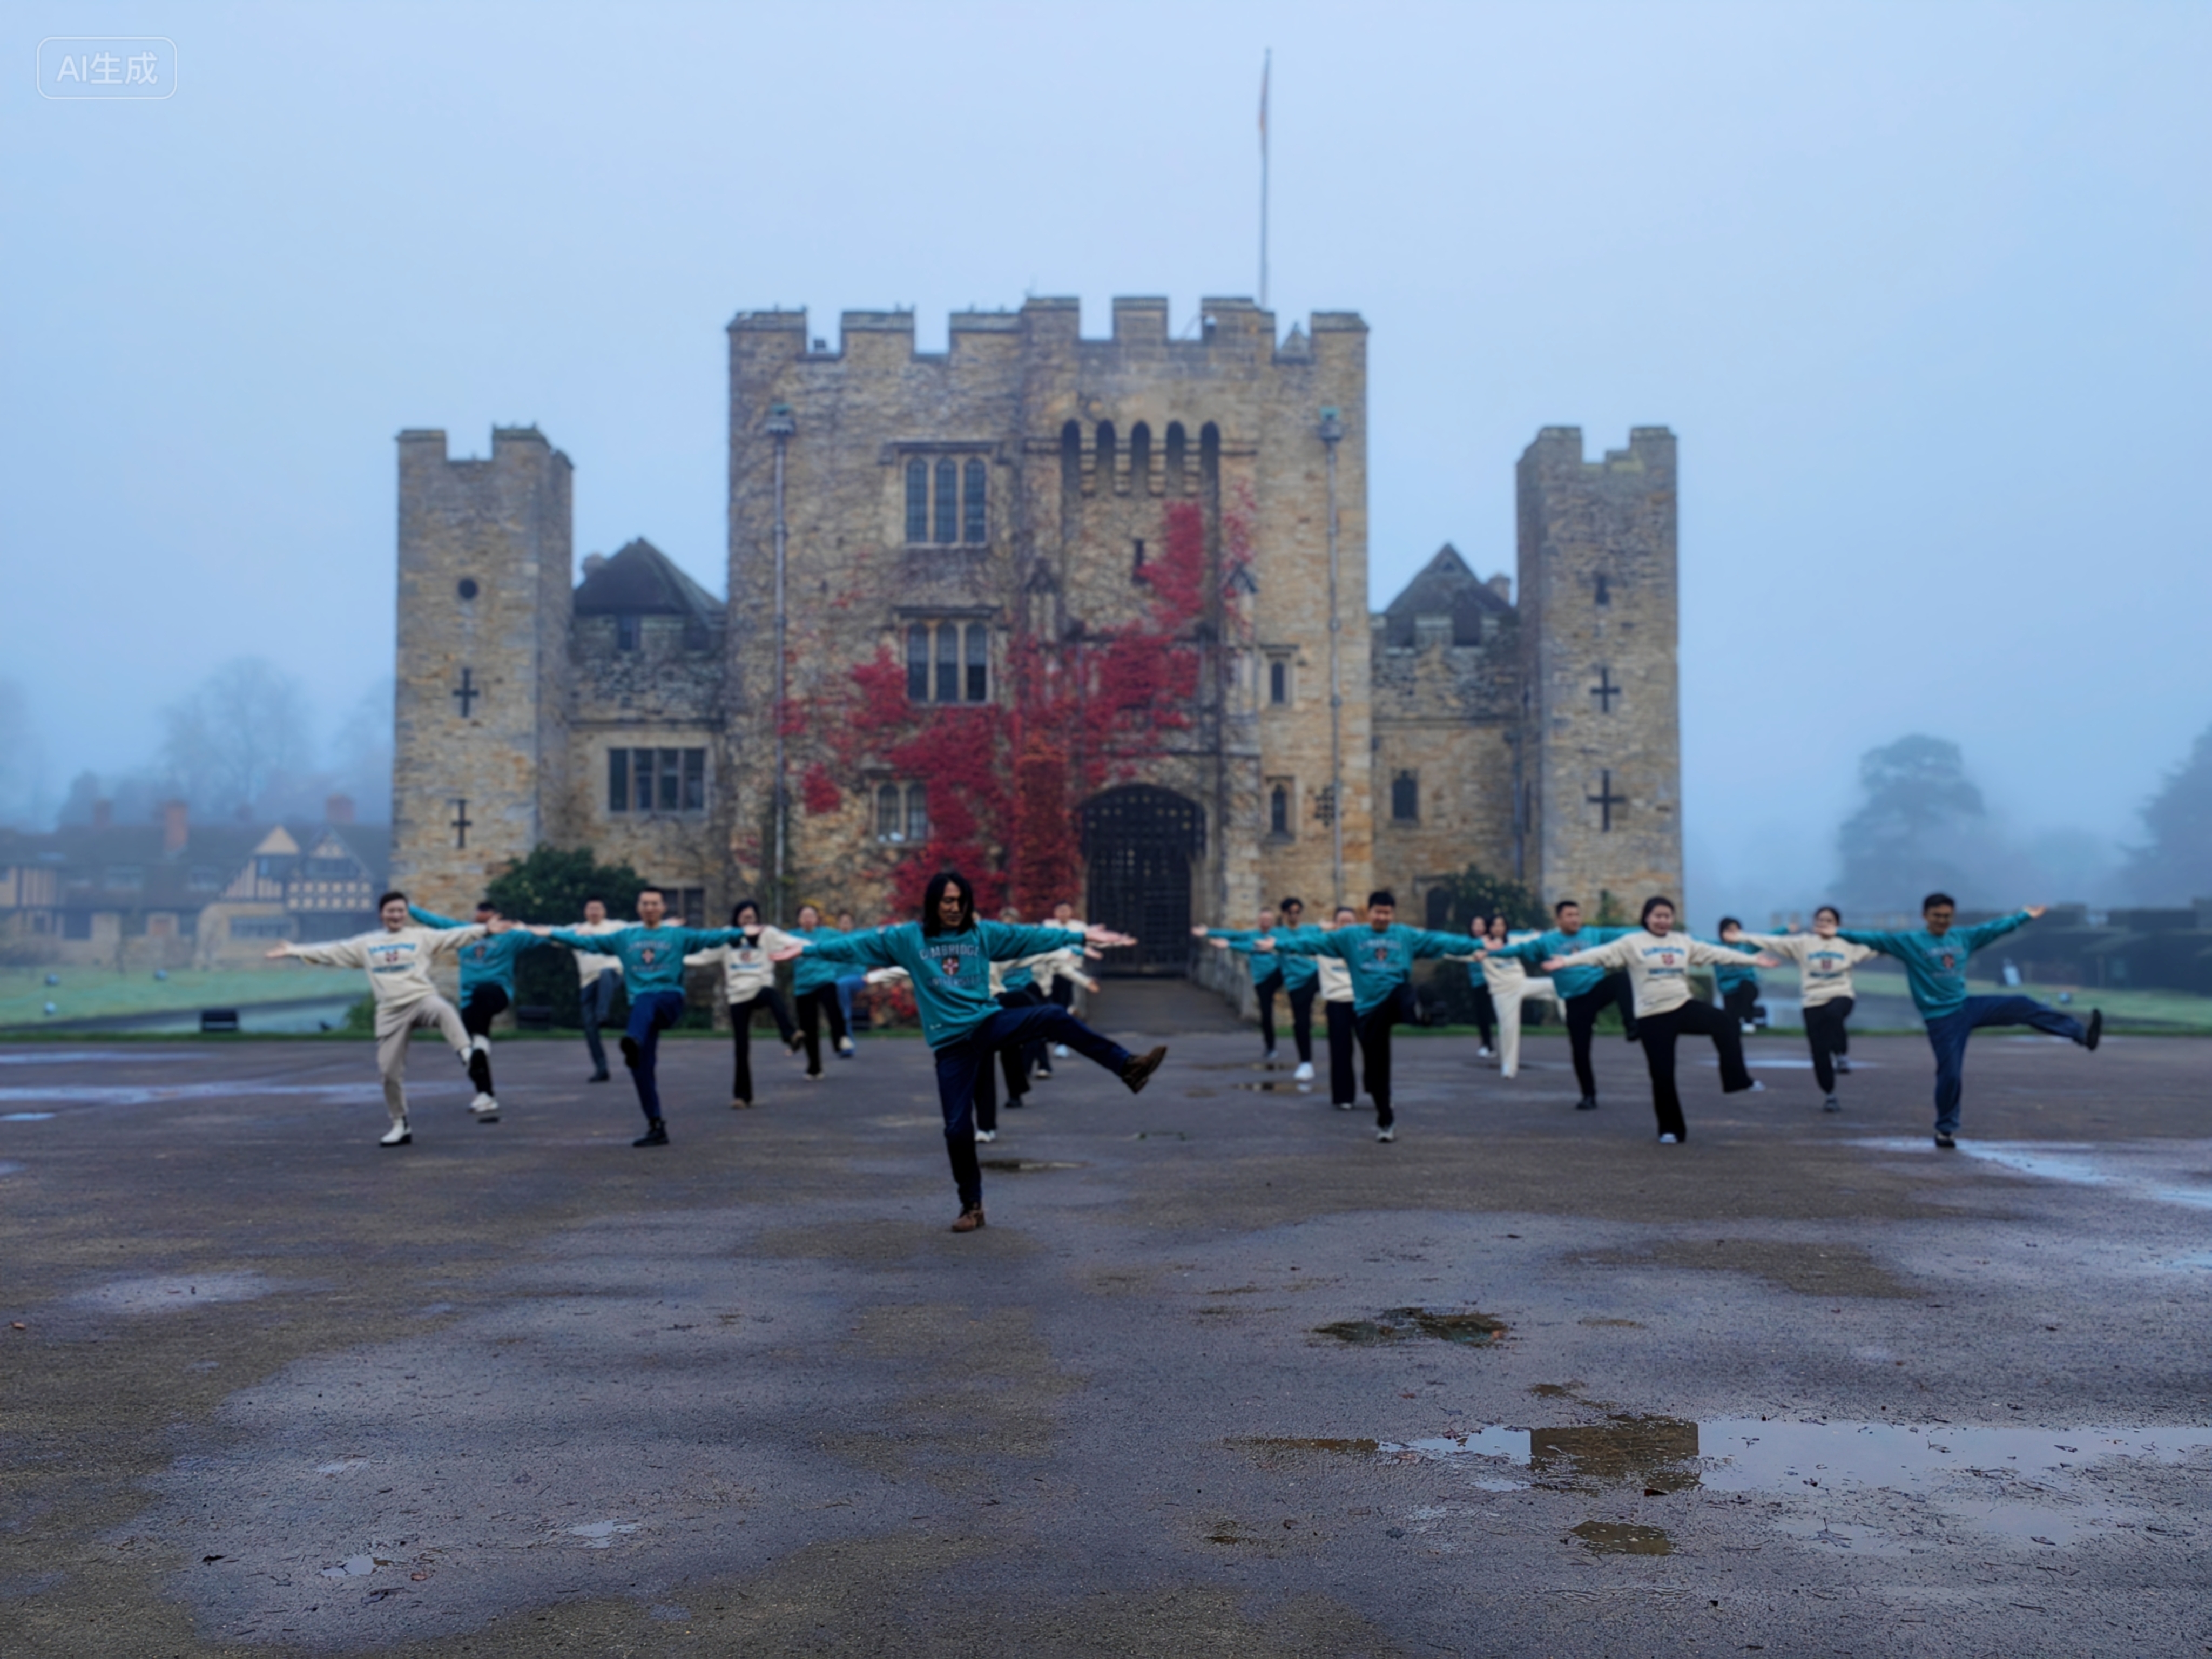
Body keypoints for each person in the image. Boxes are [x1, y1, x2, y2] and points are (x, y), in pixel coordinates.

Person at [789, 871, 1166, 1231]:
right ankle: (972, 1206)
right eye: (947, 901)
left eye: (960, 901)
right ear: (934, 902)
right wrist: (809, 950)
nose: (954, 907)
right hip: (951, 1046)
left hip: (987, 1023)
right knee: (956, 1130)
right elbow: (857, 944)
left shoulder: (980, 934)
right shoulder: (909, 939)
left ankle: (1128, 1067)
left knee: (1052, 1015)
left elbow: (1029, 938)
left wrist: (1081, 937)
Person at [1837, 895, 2099, 1149]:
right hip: (1941, 1019)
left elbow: (1994, 929)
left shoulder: (1963, 937)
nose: (1942, 921)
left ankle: (2081, 1034)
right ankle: (1946, 1129)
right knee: (1950, 1074)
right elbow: (1872, 938)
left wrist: (2024, 916)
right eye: (1937, 916)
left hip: (1967, 1006)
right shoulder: (1910, 941)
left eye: (1947, 916)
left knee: (2022, 1004)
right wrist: (1836, 932)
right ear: (1925, 916)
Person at [265, 891, 491, 1147]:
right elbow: (331, 951)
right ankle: (400, 1124)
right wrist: (294, 950)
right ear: (382, 914)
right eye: (391, 911)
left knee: (443, 1009)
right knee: (389, 1074)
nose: (396, 915)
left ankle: (468, 1056)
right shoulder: (368, 943)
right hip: (391, 1012)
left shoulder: (421, 937)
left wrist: (484, 929)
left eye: (400, 911)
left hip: (420, 999)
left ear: (406, 914)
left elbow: (454, 935)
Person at [1544, 896, 1773, 1144]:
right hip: (1652, 1016)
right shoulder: (1633, 943)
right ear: (1647, 918)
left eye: (1667, 916)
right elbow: (1600, 954)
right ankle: (1670, 1130)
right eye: (1658, 916)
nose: (1663, 921)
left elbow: (1716, 953)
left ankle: (1736, 1079)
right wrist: (1566, 961)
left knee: (1724, 1023)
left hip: (1681, 1006)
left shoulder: (1682, 942)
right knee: (1662, 1075)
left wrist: (1753, 960)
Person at [537, 890, 747, 1147]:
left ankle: (632, 1040)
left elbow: (712, 937)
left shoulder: (677, 935)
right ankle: (656, 1125)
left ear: (663, 907)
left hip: (668, 1002)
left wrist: (745, 932)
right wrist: (549, 933)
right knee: (639, 1066)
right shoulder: (625, 937)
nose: (649, 908)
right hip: (642, 1013)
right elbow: (587, 943)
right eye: (645, 904)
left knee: (647, 999)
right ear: (638, 908)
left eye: (654, 904)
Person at [1260, 892, 1474, 1142]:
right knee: (1377, 1067)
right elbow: (1311, 944)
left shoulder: (1404, 935)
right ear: (1369, 913)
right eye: (1378, 912)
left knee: (1406, 990)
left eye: (1387, 913)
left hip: (1393, 998)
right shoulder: (1351, 936)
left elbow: (1440, 941)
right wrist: (1278, 945)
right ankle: (1386, 1121)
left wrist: (1478, 945)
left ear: (1392, 914)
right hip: (1368, 1011)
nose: (1382, 917)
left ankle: (1418, 1014)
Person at [1480, 900, 1638, 1110]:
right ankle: (1588, 1095)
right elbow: (1518, 950)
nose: (1574, 919)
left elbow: (1626, 935)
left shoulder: (1594, 934)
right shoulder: (1547, 942)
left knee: (1621, 979)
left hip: (1597, 990)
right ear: (1559, 919)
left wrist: (1652, 927)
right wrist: (1489, 953)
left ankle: (1632, 1025)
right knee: (1580, 1051)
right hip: (1574, 1000)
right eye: (1569, 915)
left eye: (1577, 915)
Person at [406, 898, 549, 1121]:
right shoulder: (463, 933)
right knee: (469, 1050)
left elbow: (544, 937)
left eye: (487, 921)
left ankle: (481, 1044)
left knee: (482, 993)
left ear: (496, 919)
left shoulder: (510, 937)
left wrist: (574, 933)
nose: (482, 926)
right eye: (479, 921)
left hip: (497, 994)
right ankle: (486, 1094)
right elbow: (435, 921)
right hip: (469, 1001)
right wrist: (408, 906)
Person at [1735, 907, 1875, 1111]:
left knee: (1834, 1013)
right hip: (1812, 1002)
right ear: (1814, 923)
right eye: (1820, 920)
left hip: (1841, 994)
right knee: (1819, 1052)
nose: (1824, 924)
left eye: (1829, 920)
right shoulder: (1804, 943)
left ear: (1838, 924)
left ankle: (1841, 1053)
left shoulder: (1848, 943)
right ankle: (1830, 1094)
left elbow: (1880, 944)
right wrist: (1741, 936)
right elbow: (1773, 942)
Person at [683, 899, 801, 1109]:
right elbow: (703, 956)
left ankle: (790, 1035)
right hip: (737, 995)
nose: (749, 920)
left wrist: (819, 950)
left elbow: (793, 942)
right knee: (741, 1047)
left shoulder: (768, 934)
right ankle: (742, 1096)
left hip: (759, 986)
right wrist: (675, 957)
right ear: (737, 918)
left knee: (771, 994)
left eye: (752, 917)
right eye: (744, 917)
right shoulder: (727, 936)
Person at [1473, 914, 1560, 1080]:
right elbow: (1458, 949)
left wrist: (1556, 933)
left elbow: (1534, 937)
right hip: (1502, 992)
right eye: (1495, 925)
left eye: (1502, 925)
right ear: (1489, 928)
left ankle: (1576, 1017)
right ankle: (1508, 1068)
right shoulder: (1481, 945)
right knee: (1508, 1029)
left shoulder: (1514, 940)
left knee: (1558, 985)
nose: (1498, 928)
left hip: (1521, 983)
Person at [787, 903, 854, 1076]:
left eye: (811, 916)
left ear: (817, 919)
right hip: (803, 987)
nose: (808, 919)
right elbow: (771, 942)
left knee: (833, 1007)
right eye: (804, 916)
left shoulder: (827, 933)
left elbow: (849, 937)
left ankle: (840, 1039)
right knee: (809, 1028)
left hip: (825, 980)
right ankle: (814, 1068)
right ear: (799, 920)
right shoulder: (791, 936)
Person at [568, 896, 628, 1082]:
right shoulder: (576, 930)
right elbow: (551, 933)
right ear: (585, 912)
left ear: (604, 911)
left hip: (612, 975)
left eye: (598, 908)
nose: (594, 912)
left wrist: (666, 923)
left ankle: (603, 1013)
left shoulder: (615, 927)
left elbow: (639, 927)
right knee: (589, 1027)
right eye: (591, 908)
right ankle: (601, 1068)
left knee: (606, 972)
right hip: (587, 981)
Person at [1714, 916, 1763, 1031]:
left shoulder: (1746, 946)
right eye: (1729, 930)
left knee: (1746, 987)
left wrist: (1785, 929)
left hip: (1747, 986)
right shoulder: (1715, 948)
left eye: (1736, 930)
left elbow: (1767, 939)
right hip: (1729, 990)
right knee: (1731, 1024)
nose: (1733, 933)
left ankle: (1748, 1020)